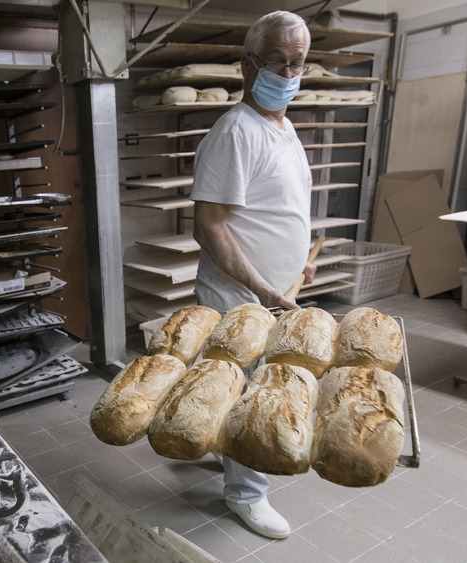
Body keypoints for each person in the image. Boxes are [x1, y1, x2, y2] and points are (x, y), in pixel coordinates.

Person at [190, 10, 317, 539]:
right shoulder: (235, 132)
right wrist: (266, 290)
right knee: (254, 396)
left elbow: (276, 209)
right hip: (242, 298)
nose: (288, 74)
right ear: (247, 66)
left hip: (275, 293)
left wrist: (298, 263)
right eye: (277, 63)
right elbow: (210, 227)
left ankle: (226, 458)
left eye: (298, 63)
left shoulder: (283, 126)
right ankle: (246, 494)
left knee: (241, 390)